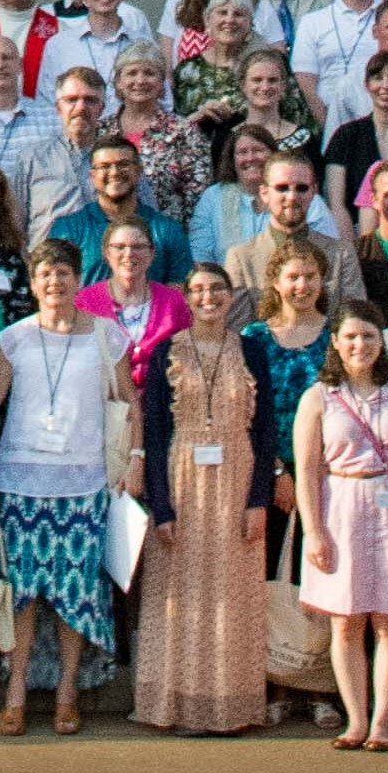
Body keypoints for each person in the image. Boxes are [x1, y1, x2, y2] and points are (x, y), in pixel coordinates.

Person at [131, 262, 279, 737]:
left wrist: (259, 499)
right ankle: (178, 703)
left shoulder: (252, 351)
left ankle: (227, 706)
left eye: (217, 288)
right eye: (198, 290)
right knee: (181, 593)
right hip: (182, 478)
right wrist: (162, 507)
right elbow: (154, 433)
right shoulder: (166, 352)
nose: (209, 297)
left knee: (232, 596)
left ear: (232, 294)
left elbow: (267, 429)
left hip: (238, 476)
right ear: (187, 298)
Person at [292, 300, 388, 750]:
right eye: (351, 337)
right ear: (335, 343)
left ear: (382, 340)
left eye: (369, 336)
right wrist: (314, 530)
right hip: (341, 507)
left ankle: (382, 721)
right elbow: (306, 469)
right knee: (345, 622)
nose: (360, 345)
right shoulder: (318, 397)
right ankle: (355, 719)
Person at [0, 238, 127, 736]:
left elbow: (127, 403)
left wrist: (132, 461)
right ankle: (16, 691)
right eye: (45, 273)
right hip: (21, 482)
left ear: (78, 280)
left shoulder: (106, 336)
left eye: (63, 273)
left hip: (84, 481)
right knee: (24, 596)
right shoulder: (13, 339)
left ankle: (69, 691)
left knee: (76, 594)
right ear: (33, 282)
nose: (55, 282)